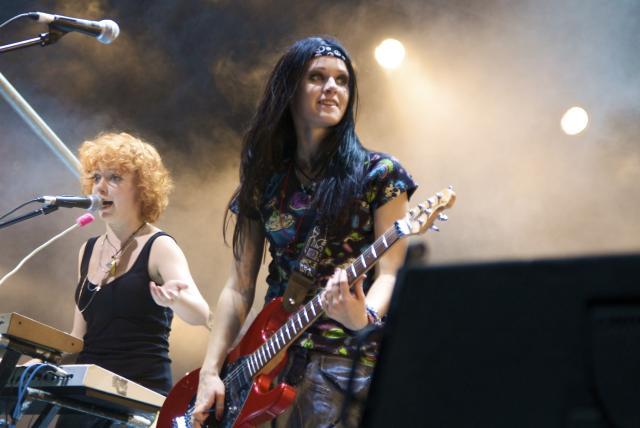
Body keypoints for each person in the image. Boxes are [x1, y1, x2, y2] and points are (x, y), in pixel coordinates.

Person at [193, 36, 417, 427]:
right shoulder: (264, 180)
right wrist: (210, 371)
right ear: (290, 89)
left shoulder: (380, 174)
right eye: (317, 77)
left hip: (343, 363)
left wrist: (362, 317)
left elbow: (392, 273)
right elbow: (239, 287)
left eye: (342, 80)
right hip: (270, 364)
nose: (332, 88)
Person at [58, 132, 210, 427]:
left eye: (114, 178)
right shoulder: (87, 250)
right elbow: (78, 337)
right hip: (83, 397)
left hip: (137, 401)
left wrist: (176, 299)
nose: (100, 187)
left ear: (142, 189)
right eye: (96, 177)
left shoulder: (160, 246)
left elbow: (202, 314)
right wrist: (36, 359)